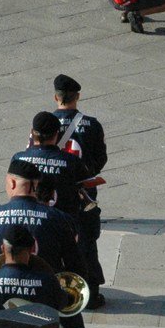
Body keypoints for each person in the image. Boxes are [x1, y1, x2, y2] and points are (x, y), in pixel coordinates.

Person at [48, 74, 107, 303]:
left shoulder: (45, 123)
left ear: (56, 97)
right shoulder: (92, 124)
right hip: (82, 194)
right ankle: (90, 293)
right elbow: (100, 159)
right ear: (77, 97)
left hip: (52, 196)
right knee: (86, 242)